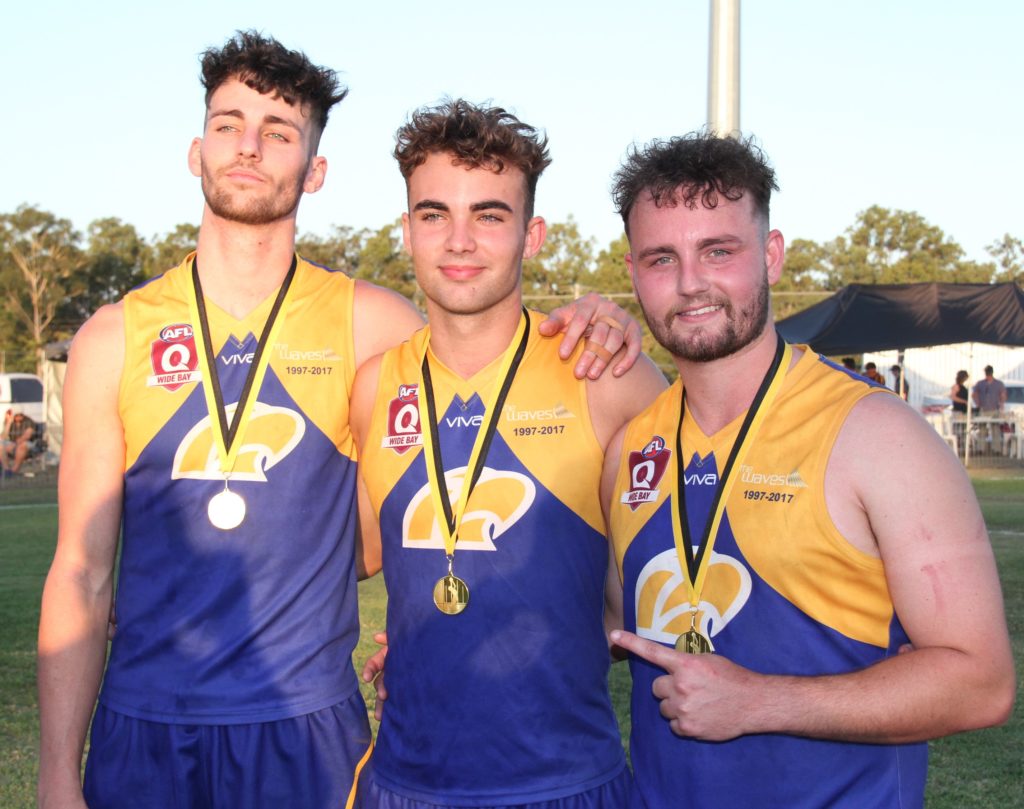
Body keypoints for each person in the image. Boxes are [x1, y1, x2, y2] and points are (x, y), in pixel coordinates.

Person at [36, 34, 635, 809]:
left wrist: (593, 320)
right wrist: (56, 772)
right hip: (146, 722)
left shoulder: (371, 325)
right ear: (195, 149)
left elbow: (487, 340)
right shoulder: (112, 337)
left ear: (314, 170)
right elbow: (79, 571)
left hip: (307, 727)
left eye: (279, 132)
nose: (249, 147)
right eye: (229, 124)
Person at [600, 131, 1015, 808]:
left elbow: (981, 682)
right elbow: (616, 624)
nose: (689, 281)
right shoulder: (630, 449)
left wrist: (757, 700)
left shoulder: (877, 434)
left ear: (771, 254)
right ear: (633, 269)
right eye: (660, 258)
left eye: (718, 250)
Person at [350, 100, 667, 808]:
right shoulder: (375, 385)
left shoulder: (602, 371)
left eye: (489, 214)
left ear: (533, 235)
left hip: (563, 783)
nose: (459, 240)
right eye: (434, 214)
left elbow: (679, 572)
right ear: (407, 232)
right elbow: (367, 553)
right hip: (404, 781)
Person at [972, 364, 1007, 455]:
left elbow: (1003, 395)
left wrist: (1001, 405)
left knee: (995, 429)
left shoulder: (998, 383)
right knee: (982, 429)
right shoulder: (980, 383)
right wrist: (977, 403)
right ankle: (981, 449)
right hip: (983, 409)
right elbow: (974, 394)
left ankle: (997, 449)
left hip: (994, 409)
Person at [1, 409, 36, 474]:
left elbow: (27, 436)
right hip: (12, 443)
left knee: (22, 446)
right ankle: (7, 469)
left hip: (27, 443)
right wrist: (9, 422)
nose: (19, 417)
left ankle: (14, 470)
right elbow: (3, 436)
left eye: (20, 415)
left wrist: (15, 444)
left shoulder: (29, 422)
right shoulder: (11, 422)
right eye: (16, 415)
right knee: (0, 444)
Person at [950, 369, 970, 454]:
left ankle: (962, 448)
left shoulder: (963, 387)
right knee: (958, 430)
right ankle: (957, 448)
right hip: (958, 411)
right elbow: (953, 397)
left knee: (962, 430)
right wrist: (964, 401)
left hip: (963, 411)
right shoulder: (956, 386)